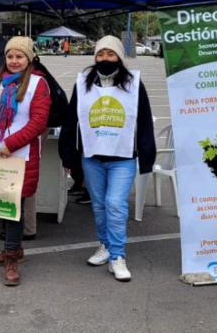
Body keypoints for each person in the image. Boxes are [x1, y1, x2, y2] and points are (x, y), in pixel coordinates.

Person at [59, 35, 156, 282]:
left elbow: (144, 120)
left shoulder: (134, 84)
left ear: (119, 58)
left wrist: (147, 155)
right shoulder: (83, 83)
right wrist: (67, 153)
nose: (105, 59)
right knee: (99, 205)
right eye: (100, 54)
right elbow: (72, 119)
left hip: (123, 157)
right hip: (92, 157)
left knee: (115, 204)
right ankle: (104, 245)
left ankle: (117, 256)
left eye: (110, 54)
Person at [0, 36, 50, 286]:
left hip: (20, 156)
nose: (14, 61)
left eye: (19, 56)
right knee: (2, 204)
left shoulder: (38, 84)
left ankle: (12, 258)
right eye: (10, 56)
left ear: (29, 58)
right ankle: (13, 250)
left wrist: (11, 143)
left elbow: (38, 121)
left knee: (14, 208)